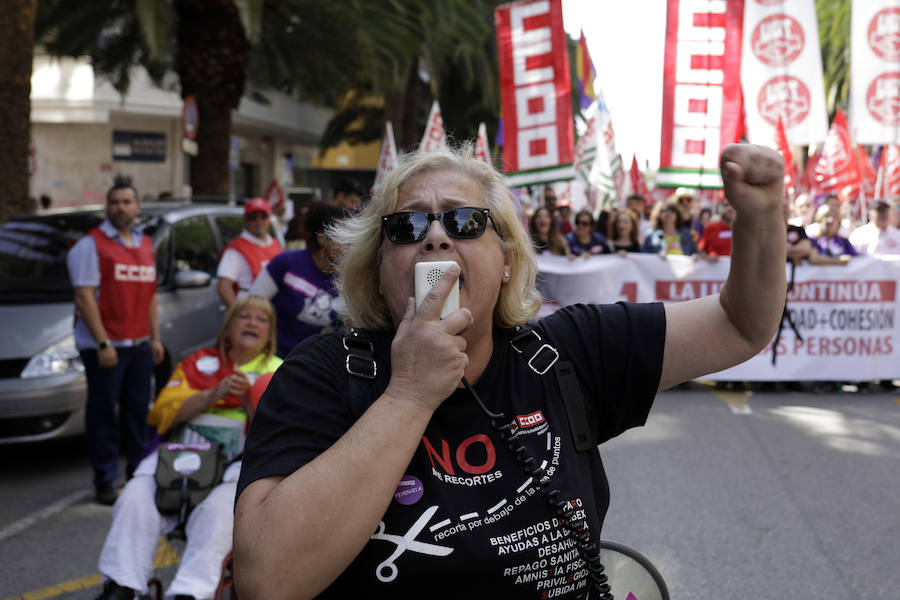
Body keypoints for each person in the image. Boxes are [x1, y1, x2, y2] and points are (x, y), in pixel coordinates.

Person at [233, 142, 787, 598]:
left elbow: (740, 325)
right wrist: (407, 396)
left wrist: (762, 215)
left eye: (465, 220)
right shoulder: (323, 373)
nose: (436, 236)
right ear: (378, 270)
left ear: (505, 261)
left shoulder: (569, 351)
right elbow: (267, 581)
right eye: (406, 227)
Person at [94, 296, 282, 600]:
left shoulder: (279, 370)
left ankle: (189, 593)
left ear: (270, 332)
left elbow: (280, 433)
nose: (251, 323)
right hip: (181, 457)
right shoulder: (197, 363)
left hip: (239, 464)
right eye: (243, 316)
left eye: (261, 319)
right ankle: (122, 585)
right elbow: (162, 415)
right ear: (228, 328)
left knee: (219, 512)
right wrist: (211, 394)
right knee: (135, 498)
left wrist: (249, 401)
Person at [67, 179, 165, 505]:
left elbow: (150, 296)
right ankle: (105, 479)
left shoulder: (145, 244)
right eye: (114, 202)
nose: (120, 207)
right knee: (104, 414)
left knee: (138, 412)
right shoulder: (89, 245)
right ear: (107, 207)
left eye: (126, 202)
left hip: (138, 344)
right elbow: (84, 297)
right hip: (106, 347)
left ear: (137, 208)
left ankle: (137, 474)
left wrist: (155, 337)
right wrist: (102, 343)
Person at [248, 205, 349, 358]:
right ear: (322, 238)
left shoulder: (352, 277)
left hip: (321, 369)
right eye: (346, 235)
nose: (351, 243)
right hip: (276, 362)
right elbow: (250, 307)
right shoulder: (286, 263)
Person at [216, 197, 282, 308]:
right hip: (251, 309)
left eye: (263, 216)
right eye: (253, 217)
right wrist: (238, 315)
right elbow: (223, 286)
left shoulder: (275, 244)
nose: (258, 222)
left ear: (269, 219)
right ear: (245, 220)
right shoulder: (236, 249)